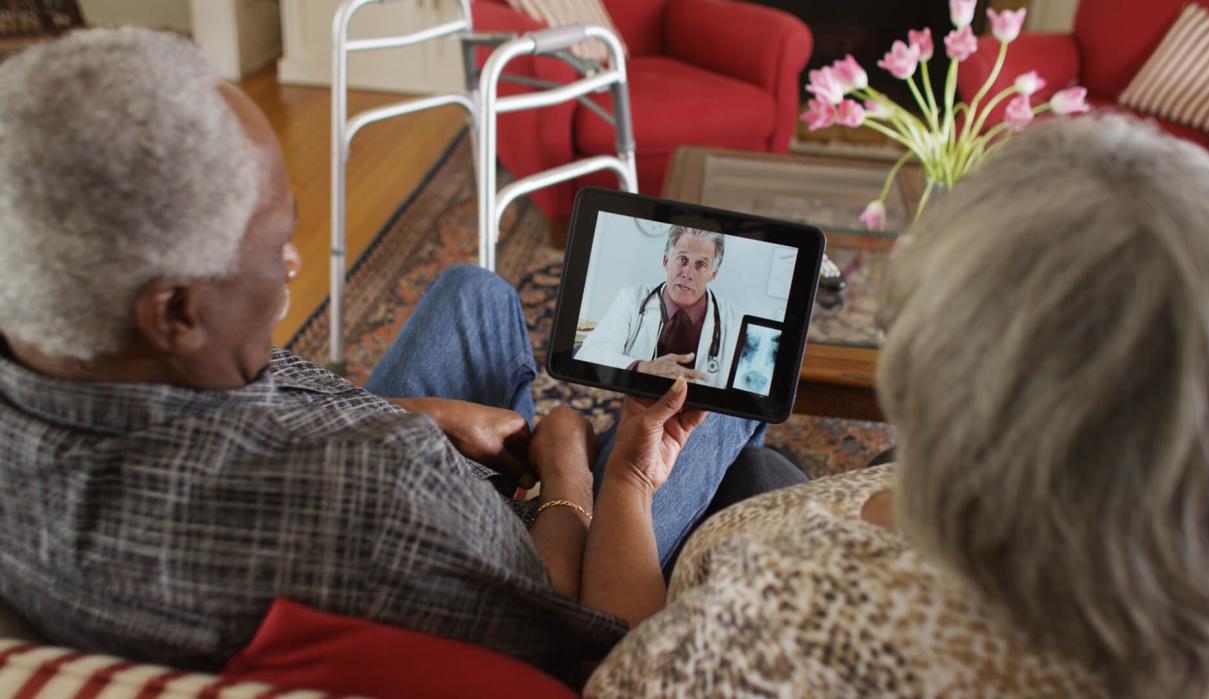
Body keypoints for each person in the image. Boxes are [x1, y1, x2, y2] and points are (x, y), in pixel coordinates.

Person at [0, 28, 776, 680]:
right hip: (526, 573)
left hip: (354, 497)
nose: (294, 263)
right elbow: (591, 640)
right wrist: (594, 472)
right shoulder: (378, 484)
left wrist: (416, 412)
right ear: (175, 312)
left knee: (470, 292)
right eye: (274, 244)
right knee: (725, 410)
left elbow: (237, 422)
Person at [584, 114, 1209, 698]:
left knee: (741, 434)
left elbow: (626, 664)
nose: (691, 268)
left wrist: (623, 478)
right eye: (683, 257)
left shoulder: (779, 624)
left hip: (694, 588)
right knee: (766, 467)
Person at [575, 225, 743, 388]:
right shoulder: (632, 299)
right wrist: (643, 368)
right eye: (682, 259)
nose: (688, 273)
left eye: (701, 265)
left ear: (713, 274)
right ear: (666, 261)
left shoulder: (734, 320)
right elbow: (588, 354)